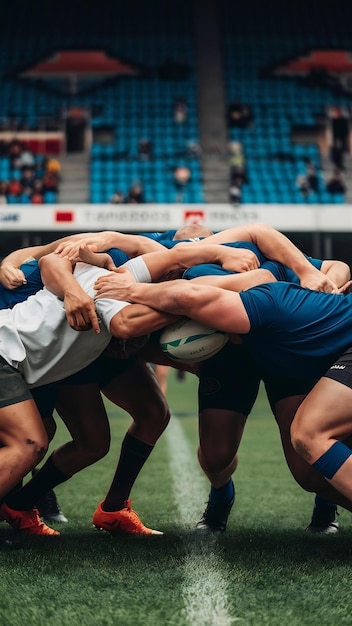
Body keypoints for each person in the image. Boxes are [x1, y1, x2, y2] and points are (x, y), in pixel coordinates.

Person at [92, 246, 352, 525]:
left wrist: (130, 290)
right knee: (216, 455)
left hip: (284, 347)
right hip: (247, 346)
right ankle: (221, 495)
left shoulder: (264, 282)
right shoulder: (187, 261)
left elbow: (188, 295)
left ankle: (326, 503)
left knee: (309, 458)